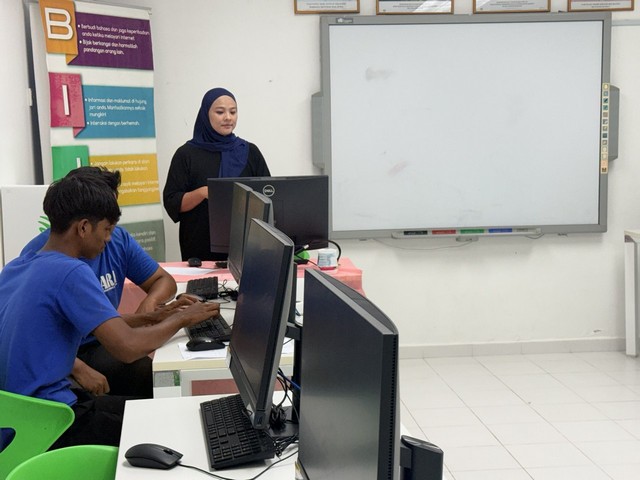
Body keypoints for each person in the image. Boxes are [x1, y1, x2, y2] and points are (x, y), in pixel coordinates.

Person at [0, 173, 220, 448]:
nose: (109, 238)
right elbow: (127, 347)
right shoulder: (71, 271)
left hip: (18, 419)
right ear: (83, 228)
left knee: (154, 408)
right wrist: (182, 318)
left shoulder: (15, 268)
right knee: (174, 423)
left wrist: (153, 316)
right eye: (106, 229)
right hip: (51, 423)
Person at [21, 166, 176, 399]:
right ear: (84, 223)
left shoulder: (116, 240)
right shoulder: (49, 260)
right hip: (63, 354)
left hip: (100, 340)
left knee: (144, 372)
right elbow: (30, 335)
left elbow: (162, 280)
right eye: (105, 221)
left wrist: (150, 306)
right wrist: (183, 319)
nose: (109, 232)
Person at [163, 87, 271, 261]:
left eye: (233, 112)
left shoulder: (250, 152)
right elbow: (172, 202)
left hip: (246, 248)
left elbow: (269, 195)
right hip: (200, 251)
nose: (228, 117)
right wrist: (202, 193)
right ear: (206, 114)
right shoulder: (186, 154)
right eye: (220, 112)